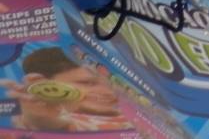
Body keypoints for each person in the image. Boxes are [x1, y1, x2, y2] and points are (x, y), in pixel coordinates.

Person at [0, 47, 134, 132]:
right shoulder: (54, 119)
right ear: (42, 84)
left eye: (111, 84)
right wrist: (41, 118)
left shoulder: (130, 115)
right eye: (88, 83)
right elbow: (53, 124)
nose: (108, 92)